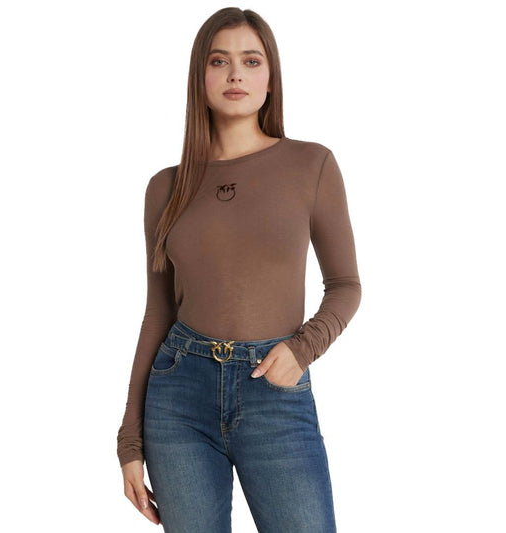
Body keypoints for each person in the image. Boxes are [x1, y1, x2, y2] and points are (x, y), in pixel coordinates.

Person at [116, 7, 361, 532]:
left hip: (274, 391)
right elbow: (157, 313)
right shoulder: (165, 187)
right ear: (200, 78)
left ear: (271, 78)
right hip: (178, 397)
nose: (235, 74)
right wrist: (129, 441)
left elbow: (345, 286)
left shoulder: (311, 164)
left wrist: (302, 350)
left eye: (251, 61)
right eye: (219, 61)